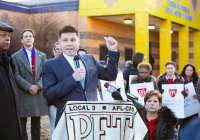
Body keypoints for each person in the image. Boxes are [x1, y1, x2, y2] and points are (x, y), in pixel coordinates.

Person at [42, 25, 120, 125]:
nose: (69, 43)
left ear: (78, 41)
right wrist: (72, 79)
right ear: (59, 42)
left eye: (73, 40)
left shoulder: (90, 59)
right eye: (65, 40)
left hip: (92, 118)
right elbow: (48, 94)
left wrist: (112, 51)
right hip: (68, 121)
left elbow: (110, 76)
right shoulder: (50, 65)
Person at [12, 28, 48, 140]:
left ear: (33, 39)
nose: (28, 38)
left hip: (38, 92)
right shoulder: (15, 56)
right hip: (24, 92)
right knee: (22, 122)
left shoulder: (42, 55)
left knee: (36, 123)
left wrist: (37, 86)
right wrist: (28, 87)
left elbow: (45, 74)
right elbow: (16, 75)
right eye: (25, 36)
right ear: (22, 40)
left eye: (30, 36)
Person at [0, 22, 22, 140]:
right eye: (3, 35)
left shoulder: (6, 59)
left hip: (12, 124)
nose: (8, 39)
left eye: (9, 36)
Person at [48, 42, 62, 140]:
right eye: (57, 49)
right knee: (53, 123)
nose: (59, 52)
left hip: (65, 99)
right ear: (54, 51)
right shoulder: (48, 64)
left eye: (61, 49)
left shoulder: (69, 64)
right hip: (52, 100)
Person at [179, 64, 199, 129]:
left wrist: (198, 95)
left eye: (191, 70)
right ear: (184, 70)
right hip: (183, 107)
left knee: (193, 125)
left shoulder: (197, 80)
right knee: (183, 125)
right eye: (187, 70)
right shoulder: (179, 79)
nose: (189, 71)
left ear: (193, 71)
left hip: (193, 107)